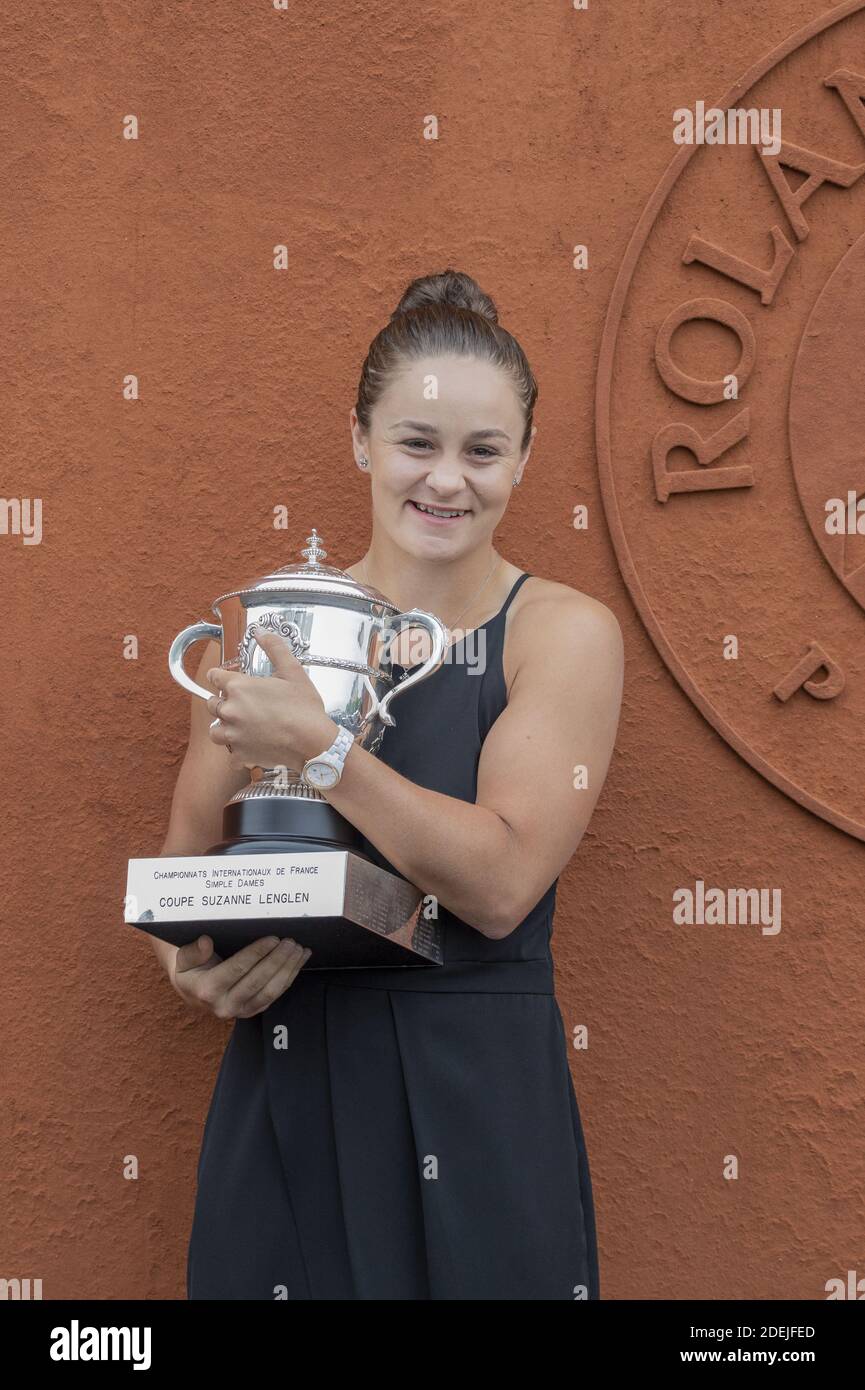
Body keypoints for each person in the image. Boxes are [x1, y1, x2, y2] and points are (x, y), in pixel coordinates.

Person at [151, 268, 624, 1300]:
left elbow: (499, 884)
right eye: (416, 441)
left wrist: (324, 750)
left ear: (524, 459)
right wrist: (189, 967)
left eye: (481, 451)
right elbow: (184, 880)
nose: (446, 480)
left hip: (479, 1088)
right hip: (289, 1074)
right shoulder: (271, 633)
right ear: (360, 440)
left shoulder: (561, 633)